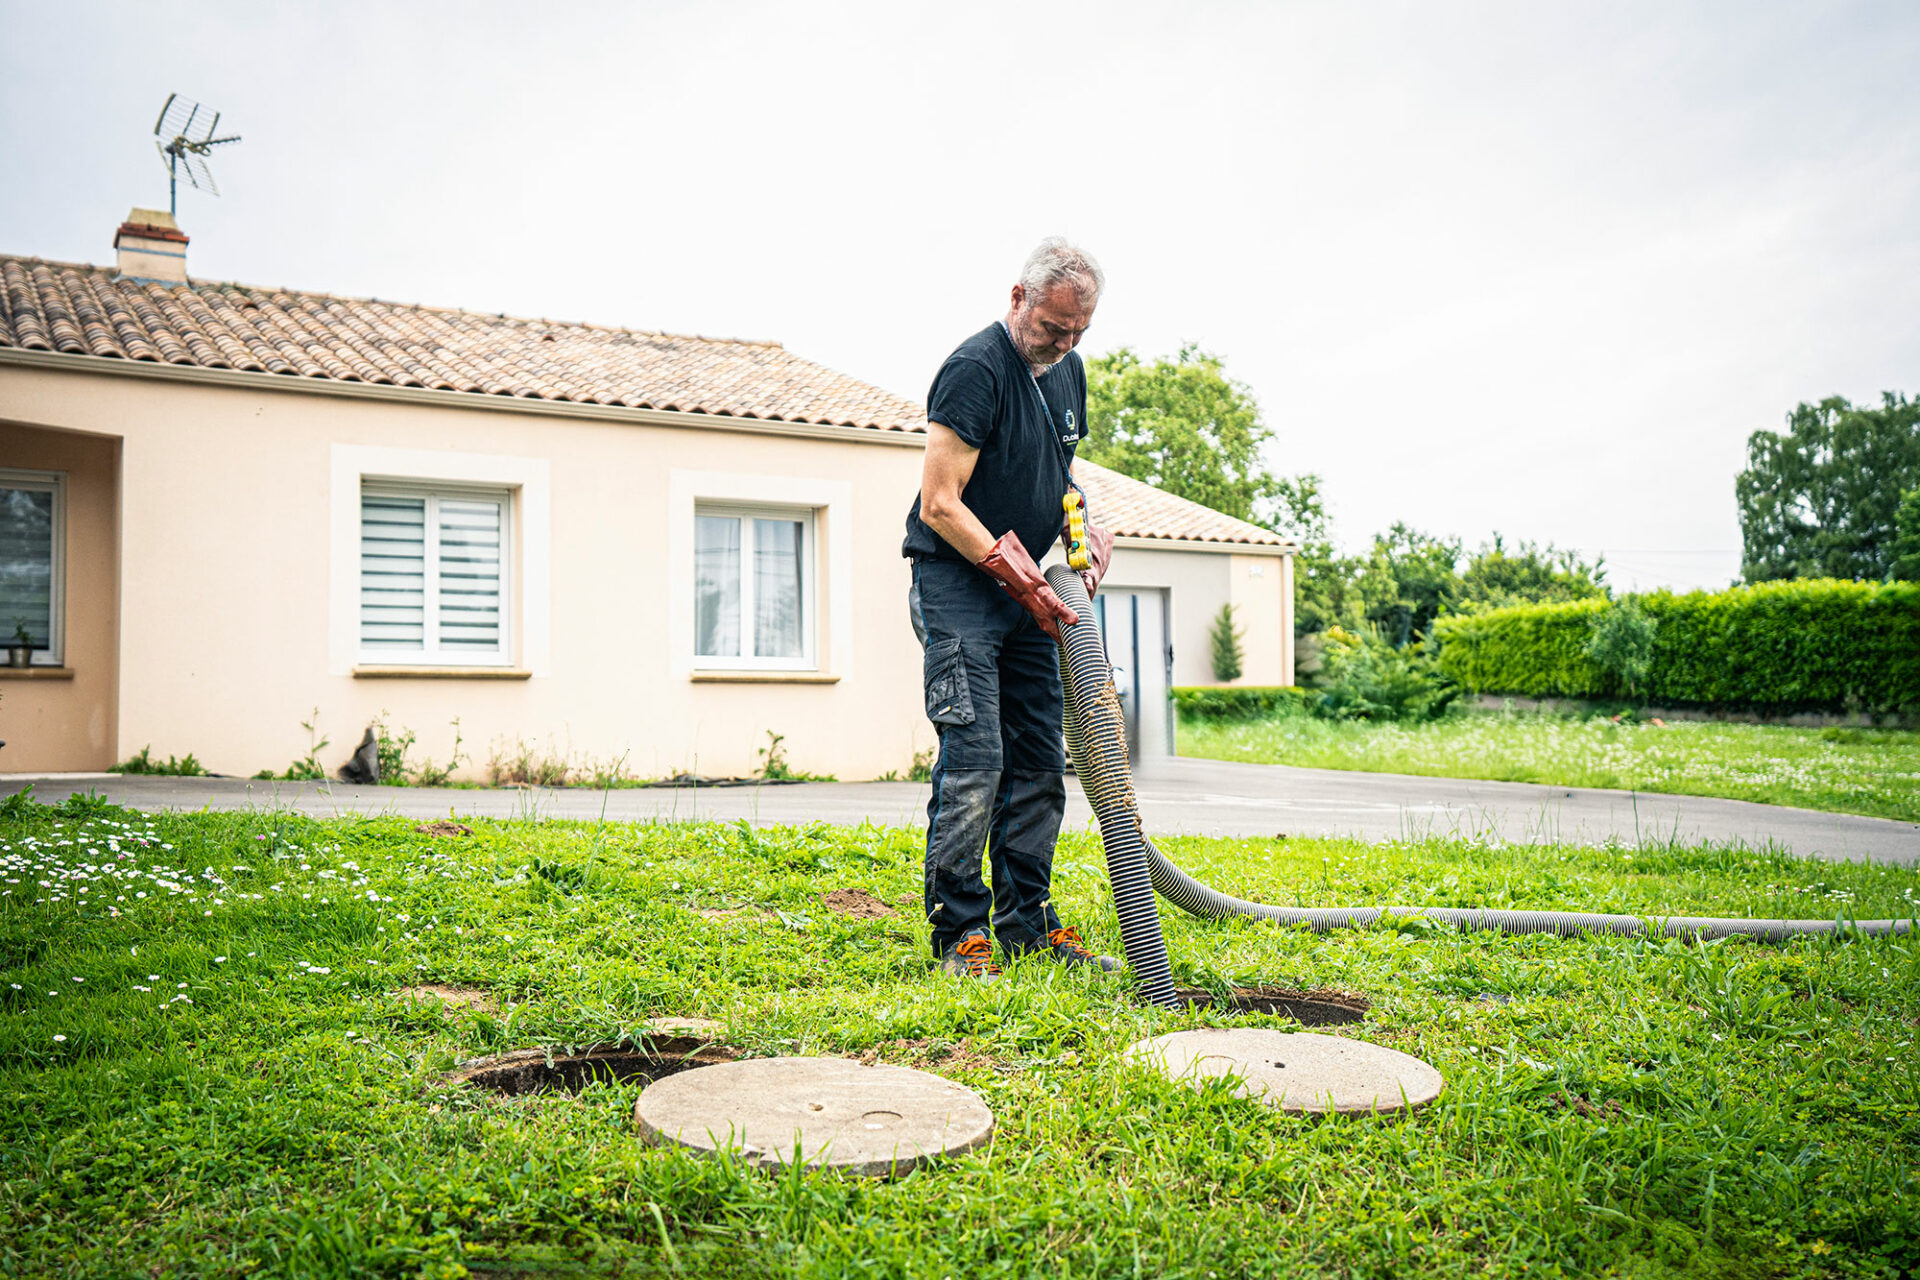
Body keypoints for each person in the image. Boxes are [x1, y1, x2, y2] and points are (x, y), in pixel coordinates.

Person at [901, 238, 1118, 982]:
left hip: (1027, 591)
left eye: (1078, 332)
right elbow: (939, 503)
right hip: (958, 583)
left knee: (1039, 760)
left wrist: (1083, 532)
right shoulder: (975, 369)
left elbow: (1057, 474)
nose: (1064, 345)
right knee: (977, 760)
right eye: (1053, 328)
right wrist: (1022, 582)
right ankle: (960, 931)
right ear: (1019, 298)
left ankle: (1027, 924)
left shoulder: (1067, 371)